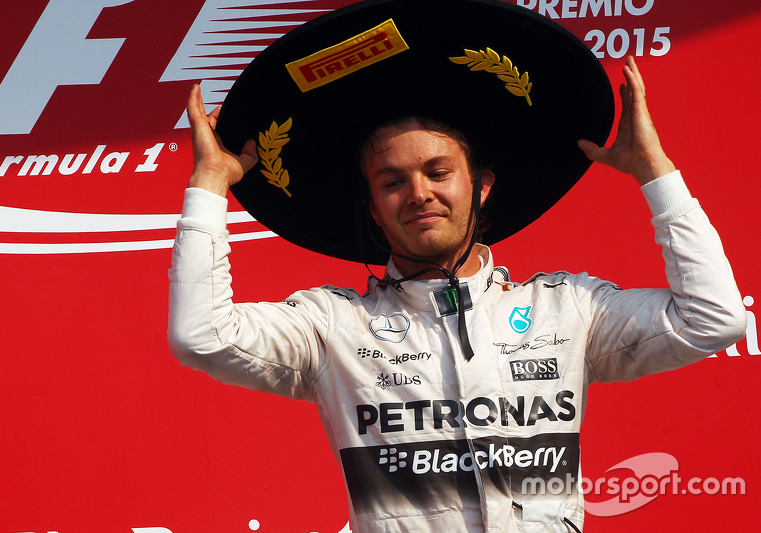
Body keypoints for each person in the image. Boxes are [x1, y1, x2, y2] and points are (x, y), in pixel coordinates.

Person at [168, 51, 745, 532]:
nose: (418, 194)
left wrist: (655, 171)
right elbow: (200, 336)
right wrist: (209, 182)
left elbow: (713, 319)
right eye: (392, 182)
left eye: (438, 173)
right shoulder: (332, 326)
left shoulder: (567, 308)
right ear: (372, 208)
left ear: (481, 186)